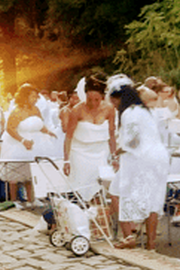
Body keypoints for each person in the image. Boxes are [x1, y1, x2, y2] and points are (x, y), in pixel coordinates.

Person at [108, 77, 170, 250]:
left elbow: (132, 142)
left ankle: (129, 236)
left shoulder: (129, 113)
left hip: (141, 159)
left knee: (116, 191)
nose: (113, 105)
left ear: (120, 99)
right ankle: (151, 244)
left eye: (114, 102)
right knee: (153, 200)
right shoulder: (146, 111)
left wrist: (117, 151)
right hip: (158, 158)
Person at [0, 84, 58, 207]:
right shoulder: (17, 111)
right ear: (25, 97)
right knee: (16, 172)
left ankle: (31, 199)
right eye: (33, 96)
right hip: (19, 143)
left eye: (36, 97)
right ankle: (14, 200)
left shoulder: (35, 109)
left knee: (32, 171)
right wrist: (22, 140)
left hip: (36, 143)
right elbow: (9, 129)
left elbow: (40, 124)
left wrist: (48, 132)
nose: (35, 99)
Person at [63, 76, 115, 203]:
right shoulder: (77, 110)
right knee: (81, 188)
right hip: (80, 153)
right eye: (89, 99)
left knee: (99, 188)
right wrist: (66, 160)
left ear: (102, 97)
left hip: (101, 152)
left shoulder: (109, 109)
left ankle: (97, 216)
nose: (93, 103)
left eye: (96, 100)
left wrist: (114, 156)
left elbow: (112, 135)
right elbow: (68, 136)